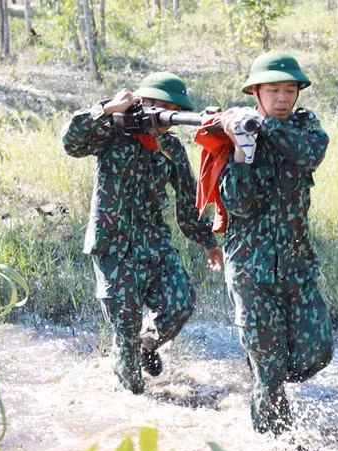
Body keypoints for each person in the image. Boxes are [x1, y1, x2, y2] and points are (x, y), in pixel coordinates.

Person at [62, 71, 224, 395]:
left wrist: (209, 242)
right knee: (126, 329)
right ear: (141, 102)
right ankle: (132, 399)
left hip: (154, 244)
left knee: (180, 302)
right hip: (113, 247)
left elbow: (188, 201)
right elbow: (71, 142)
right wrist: (109, 108)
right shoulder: (111, 135)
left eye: (170, 110)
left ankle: (145, 345)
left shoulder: (171, 149)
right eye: (156, 106)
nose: (161, 116)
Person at [217, 51, 334, 435]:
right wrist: (241, 149)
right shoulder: (239, 134)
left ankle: (263, 366)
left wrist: (265, 125)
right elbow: (238, 204)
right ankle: (276, 444)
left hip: (297, 264)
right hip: (251, 268)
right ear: (256, 92)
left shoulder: (304, 127)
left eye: (289, 90)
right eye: (273, 90)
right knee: (271, 371)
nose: (283, 98)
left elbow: (311, 154)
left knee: (316, 353)